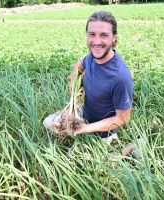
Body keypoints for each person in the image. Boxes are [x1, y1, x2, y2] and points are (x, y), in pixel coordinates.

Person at [44, 11, 140, 158]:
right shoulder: (91, 57)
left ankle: (130, 148)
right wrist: (73, 78)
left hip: (102, 131)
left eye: (104, 35)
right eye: (92, 34)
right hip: (83, 114)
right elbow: (81, 61)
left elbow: (123, 118)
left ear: (114, 38)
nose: (96, 41)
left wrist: (85, 129)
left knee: (79, 161)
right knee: (47, 122)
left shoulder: (120, 77)